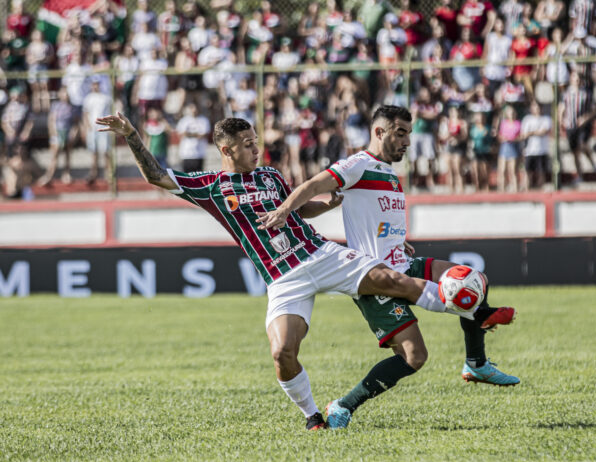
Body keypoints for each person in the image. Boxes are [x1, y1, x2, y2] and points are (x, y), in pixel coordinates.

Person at [95, 112, 489, 431]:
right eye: (247, 144)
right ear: (225, 149)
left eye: (256, 141)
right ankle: (314, 418)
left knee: (391, 279)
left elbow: (297, 208)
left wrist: (328, 205)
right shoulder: (212, 187)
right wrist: (131, 134)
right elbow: (156, 176)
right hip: (283, 278)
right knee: (282, 352)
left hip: (319, 253)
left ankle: (467, 306)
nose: (256, 148)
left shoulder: (270, 176)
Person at [257, 106, 517, 430]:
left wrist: (398, 238)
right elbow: (313, 185)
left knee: (475, 279)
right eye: (401, 133)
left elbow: (378, 218)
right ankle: (344, 405)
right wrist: (284, 210)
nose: (408, 141)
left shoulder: (388, 172)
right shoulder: (357, 165)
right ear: (379, 132)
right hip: (373, 276)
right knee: (414, 357)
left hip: (403, 261)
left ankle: (476, 363)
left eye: (409, 133)